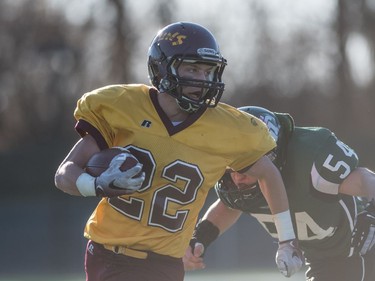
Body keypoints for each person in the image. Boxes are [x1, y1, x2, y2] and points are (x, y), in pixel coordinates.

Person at [54, 22, 300, 281]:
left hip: (166, 264)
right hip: (109, 255)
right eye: (192, 68)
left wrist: (287, 240)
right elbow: (64, 173)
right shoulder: (123, 106)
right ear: (162, 69)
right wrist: (96, 184)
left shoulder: (229, 127)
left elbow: (269, 174)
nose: (203, 79)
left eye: (208, 71)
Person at [184, 106, 375, 281]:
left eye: (246, 165)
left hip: (363, 247)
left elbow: (362, 179)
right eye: (231, 167)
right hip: (324, 262)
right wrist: (201, 237)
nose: (237, 177)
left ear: (274, 157)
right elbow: (229, 205)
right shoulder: (236, 184)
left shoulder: (308, 161)